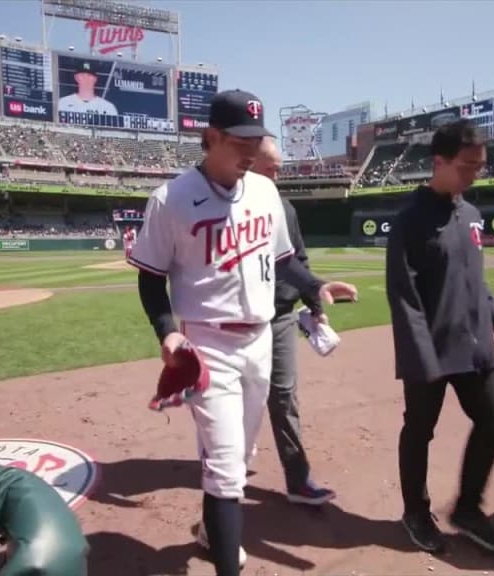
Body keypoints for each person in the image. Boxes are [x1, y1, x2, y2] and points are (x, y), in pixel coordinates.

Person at [127, 88, 357, 576]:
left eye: (257, 139)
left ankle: (213, 530)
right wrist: (166, 331)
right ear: (210, 138)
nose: (251, 151)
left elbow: (283, 260)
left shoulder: (266, 191)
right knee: (229, 465)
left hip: (261, 340)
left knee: (240, 453)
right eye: (240, 142)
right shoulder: (170, 200)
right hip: (207, 344)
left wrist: (315, 288)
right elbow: (150, 276)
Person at [385, 118, 494, 556]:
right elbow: (403, 295)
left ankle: (468, 509)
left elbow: (473, 275)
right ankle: (415, 512)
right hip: (431, 348)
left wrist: (492, 308)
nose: (473, 174)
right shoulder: (410, 221)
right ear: (438, 161)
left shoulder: (472, 215)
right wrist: (420, 357)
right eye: (466, 166)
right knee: (419, 429)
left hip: (476, 343)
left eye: (479, 166)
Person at [248, 136, 337, 506]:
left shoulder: (285, 208)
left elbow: (297, 260)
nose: (276, 173)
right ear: (247, 163)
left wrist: (314, 302)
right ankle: (225, 471)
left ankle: (298, 480)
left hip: (281, 317)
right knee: (236, 401)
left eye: (278, 167)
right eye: (269, 167)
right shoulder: (228, 206)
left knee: (285, 399)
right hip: (241, 322)